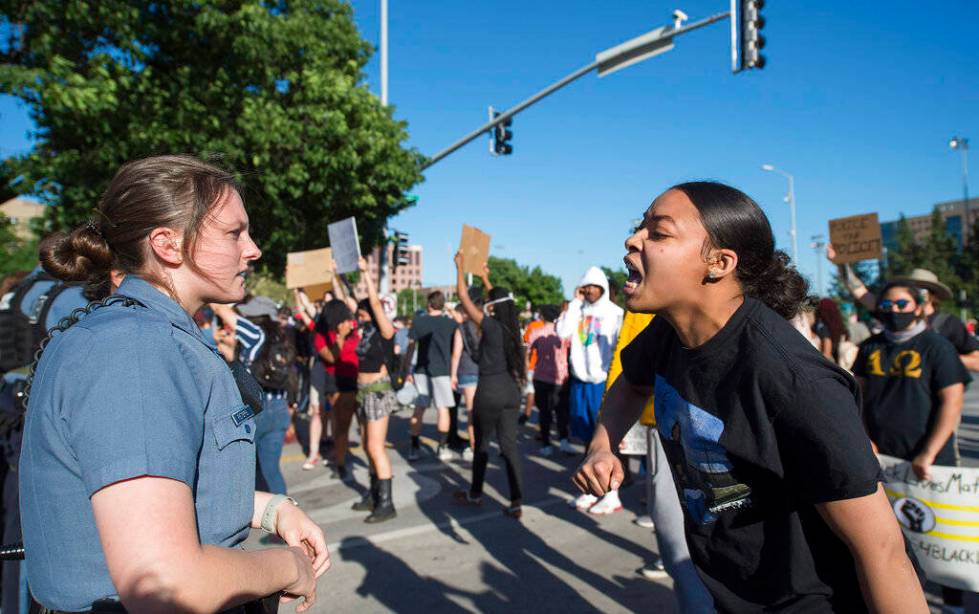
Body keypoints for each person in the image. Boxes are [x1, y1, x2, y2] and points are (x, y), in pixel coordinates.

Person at [575, 181, 926, 612]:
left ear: (719, 263)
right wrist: (602, 447)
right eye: (639, 227)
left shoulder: (794, 381)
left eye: (658, 233)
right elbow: (631, 384)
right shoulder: (669, 333)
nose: (632, 239)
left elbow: (884, 553)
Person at [20, 155, 328, 612]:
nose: (254, 248)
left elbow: (159, 491)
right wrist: (289, 567)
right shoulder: (135, 352)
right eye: (234, 233)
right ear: (168, 244)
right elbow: (167, 584)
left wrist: (270, 509)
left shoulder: (142, 336)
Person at [852, 280, 970, 613]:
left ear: (917, 306)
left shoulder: (936, 346)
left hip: (929, 461)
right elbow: (857, 396)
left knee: (941, 539)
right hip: (882, 459)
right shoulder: (871, 347)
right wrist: (864, 439)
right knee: (893, 539)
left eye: (901, 305)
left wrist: (929, 451)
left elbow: (952, 400)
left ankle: (954, 604)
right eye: (887, 306)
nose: (894, 312)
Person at [604, 310, 714, 612]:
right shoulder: (652, 315)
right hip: (661, 420)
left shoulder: (759, 326)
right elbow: (629, 372)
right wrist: (604, 440)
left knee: (686, 528)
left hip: (692, 428)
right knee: (668, 518)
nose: (630, 260)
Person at [452, 252, 525, 519]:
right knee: (509, 447)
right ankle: (517, 501)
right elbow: (499, 297)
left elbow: (463, 298)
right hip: (511, 392)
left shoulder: (491, 326)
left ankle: (475, 493)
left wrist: (459, 267)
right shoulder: (513, 327)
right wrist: (485, 277)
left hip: (489, 391)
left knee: (482, 445)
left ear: (493, 307)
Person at [830, 248, 979, 372]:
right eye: (912, 287)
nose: (916, 291)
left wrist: (939, 357)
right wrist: (840, 263)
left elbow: (976, 362)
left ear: (933, 294)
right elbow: (860, 292)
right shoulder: (892, 314)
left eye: (922, 288)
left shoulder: (949, 323)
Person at [212, 295, 295, 496]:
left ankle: (260, 515)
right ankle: (279, 521)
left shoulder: (255, 334)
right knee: (271, 470)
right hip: (279, 408)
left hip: (256, 410)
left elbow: (220, 310)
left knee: (251, 471)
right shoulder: (281, 337)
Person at [557, 266, 624, 514]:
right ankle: (592, 491)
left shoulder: (615, 313)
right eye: (587, 286)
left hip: (603, 382)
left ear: (603, 288)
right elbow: (561, 333)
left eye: (595, 286)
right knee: (587, 437)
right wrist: (574, 303)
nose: (590, 290)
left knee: (606, 439)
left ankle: (612, 494)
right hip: (580, 382)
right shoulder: (577, 311)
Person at [350, 257, 399, 523]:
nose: (358, 315)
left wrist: (366, 274)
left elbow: (376, 303)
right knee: (368, 448)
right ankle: (374, 494)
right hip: (363, 391)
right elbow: (347, 299)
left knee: (375, 446)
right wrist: (339, 277)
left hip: (377, 392)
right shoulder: (365, 330)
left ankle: (387, 503)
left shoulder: (385, 330)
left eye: (361, 312)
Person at [407, 290, 458, 461]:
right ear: (442, 304)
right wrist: (450, 310)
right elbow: (461, 322)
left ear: (429, 304)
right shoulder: (449, 323)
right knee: (443, 409)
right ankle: (442, 448)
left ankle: (414, 447)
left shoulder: (418, 321)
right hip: (442, 371)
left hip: (421, 370)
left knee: (419, 409)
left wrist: (407, 368)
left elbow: (411, 347)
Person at [528, 305, 569, 456]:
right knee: (561, 411)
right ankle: (564, 440)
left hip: (541, 377)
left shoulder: (536, 333)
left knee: (544, 412)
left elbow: (528, 350)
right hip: (561, 377)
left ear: (542, 316)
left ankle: (546, 444)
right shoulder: (564, 334)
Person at [450, 301, 480, 461]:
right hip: (486, 372)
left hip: (467, 372)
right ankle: (485, 444)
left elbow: (456, 354)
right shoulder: (484, 326)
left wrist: (453, 375)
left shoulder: (461, 329)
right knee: (483, 412)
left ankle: (475, 447)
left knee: (471, 412)